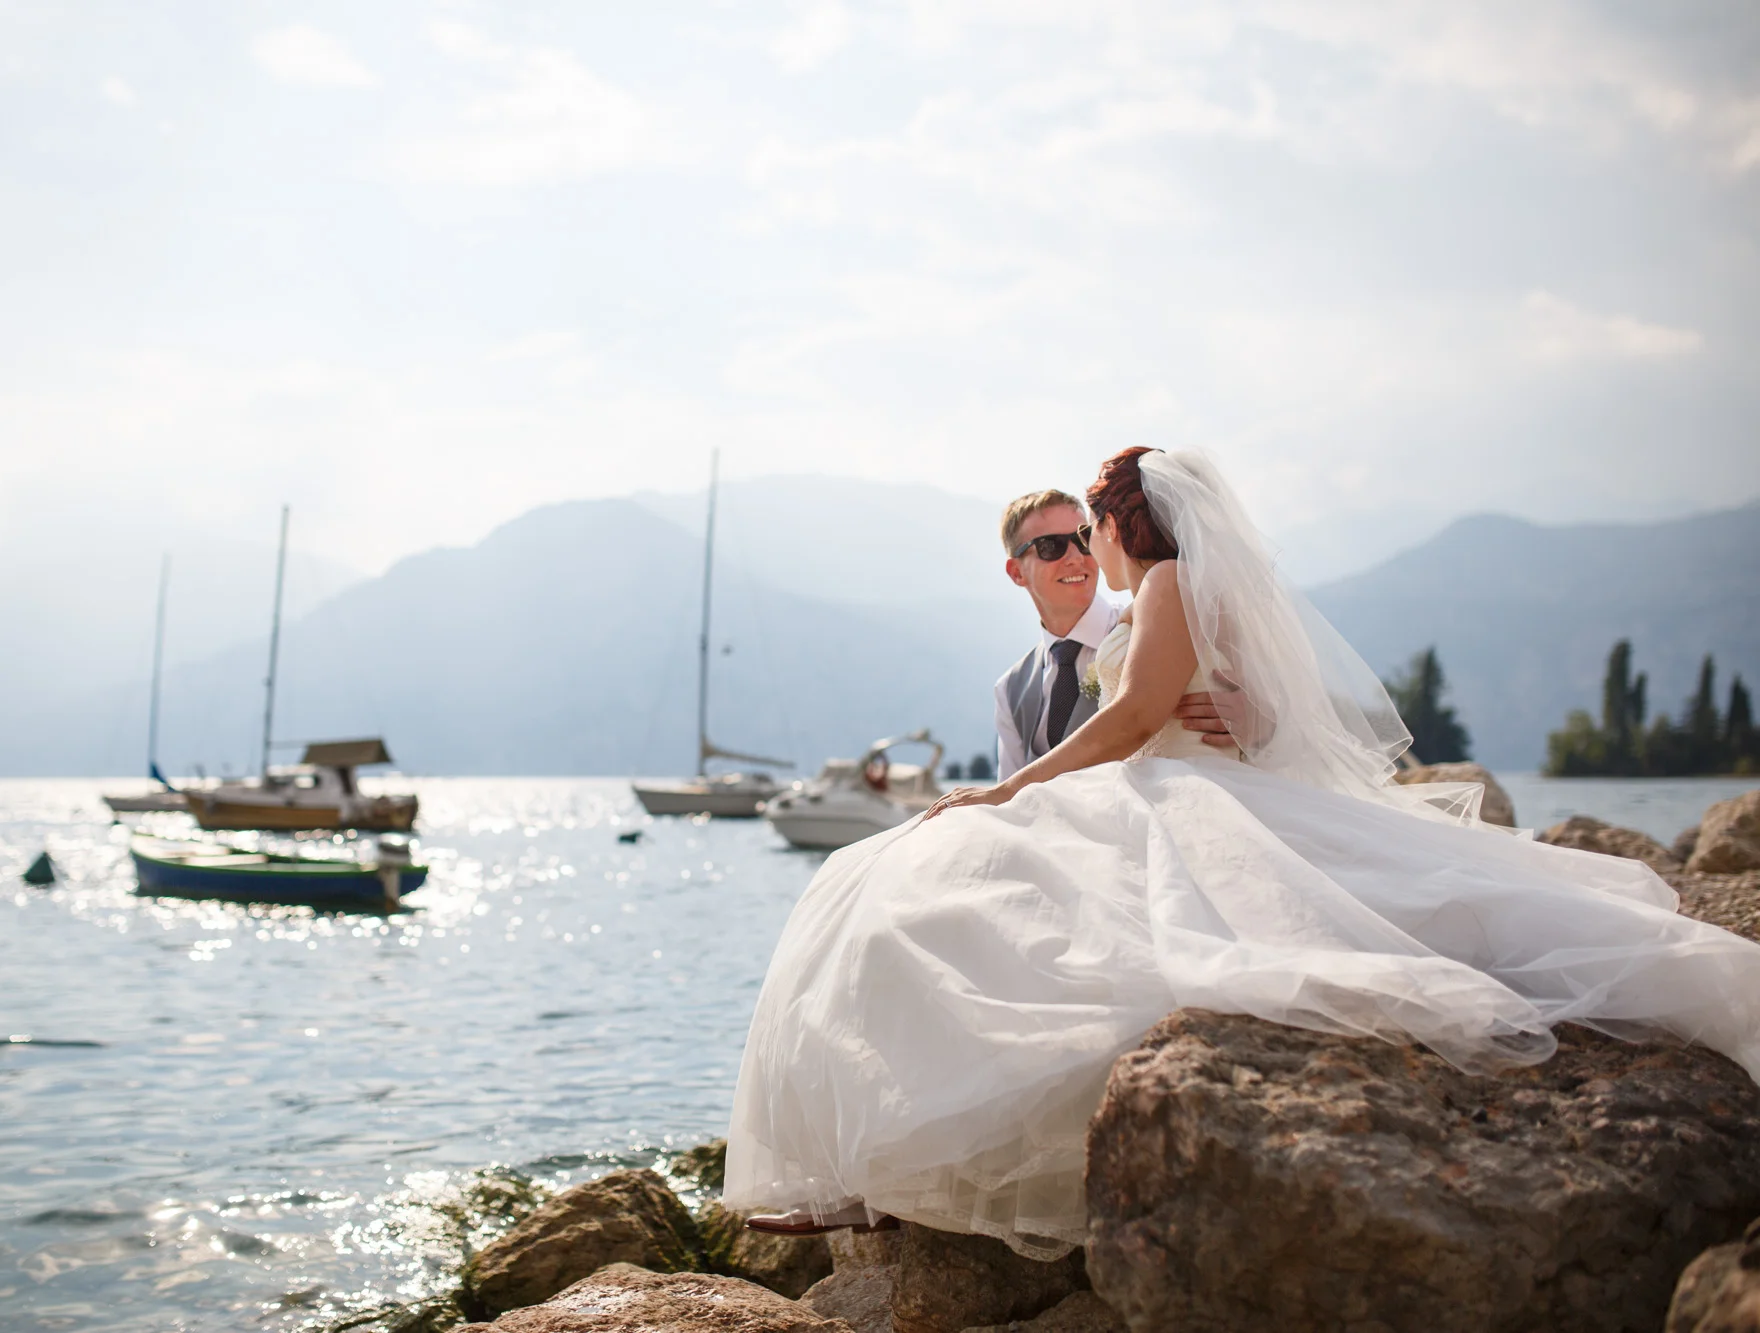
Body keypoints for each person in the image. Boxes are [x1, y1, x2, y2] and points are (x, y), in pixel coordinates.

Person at [727, 447, 1760, 1258]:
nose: (1086, 548)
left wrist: (1007, 790)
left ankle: (883, 1173)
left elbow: (1133, 718)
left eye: (1090, 528)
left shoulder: (1168, 586)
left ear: (1124, 525)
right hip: (1163, 791)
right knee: (923, 899)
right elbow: (1190, 702)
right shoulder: (1169, 595)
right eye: (1059, 542)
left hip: (1166, 793)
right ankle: (885, 1174)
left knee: (901, 895)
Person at [991, 488, 1234, 779]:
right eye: (1050, 546)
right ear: (1016, 572)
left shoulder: (1154, 625)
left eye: (1081, 540)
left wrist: (1256, 723)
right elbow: (1005, 792)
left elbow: (1259, 691)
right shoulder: (1009, 688)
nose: (1075, 558)